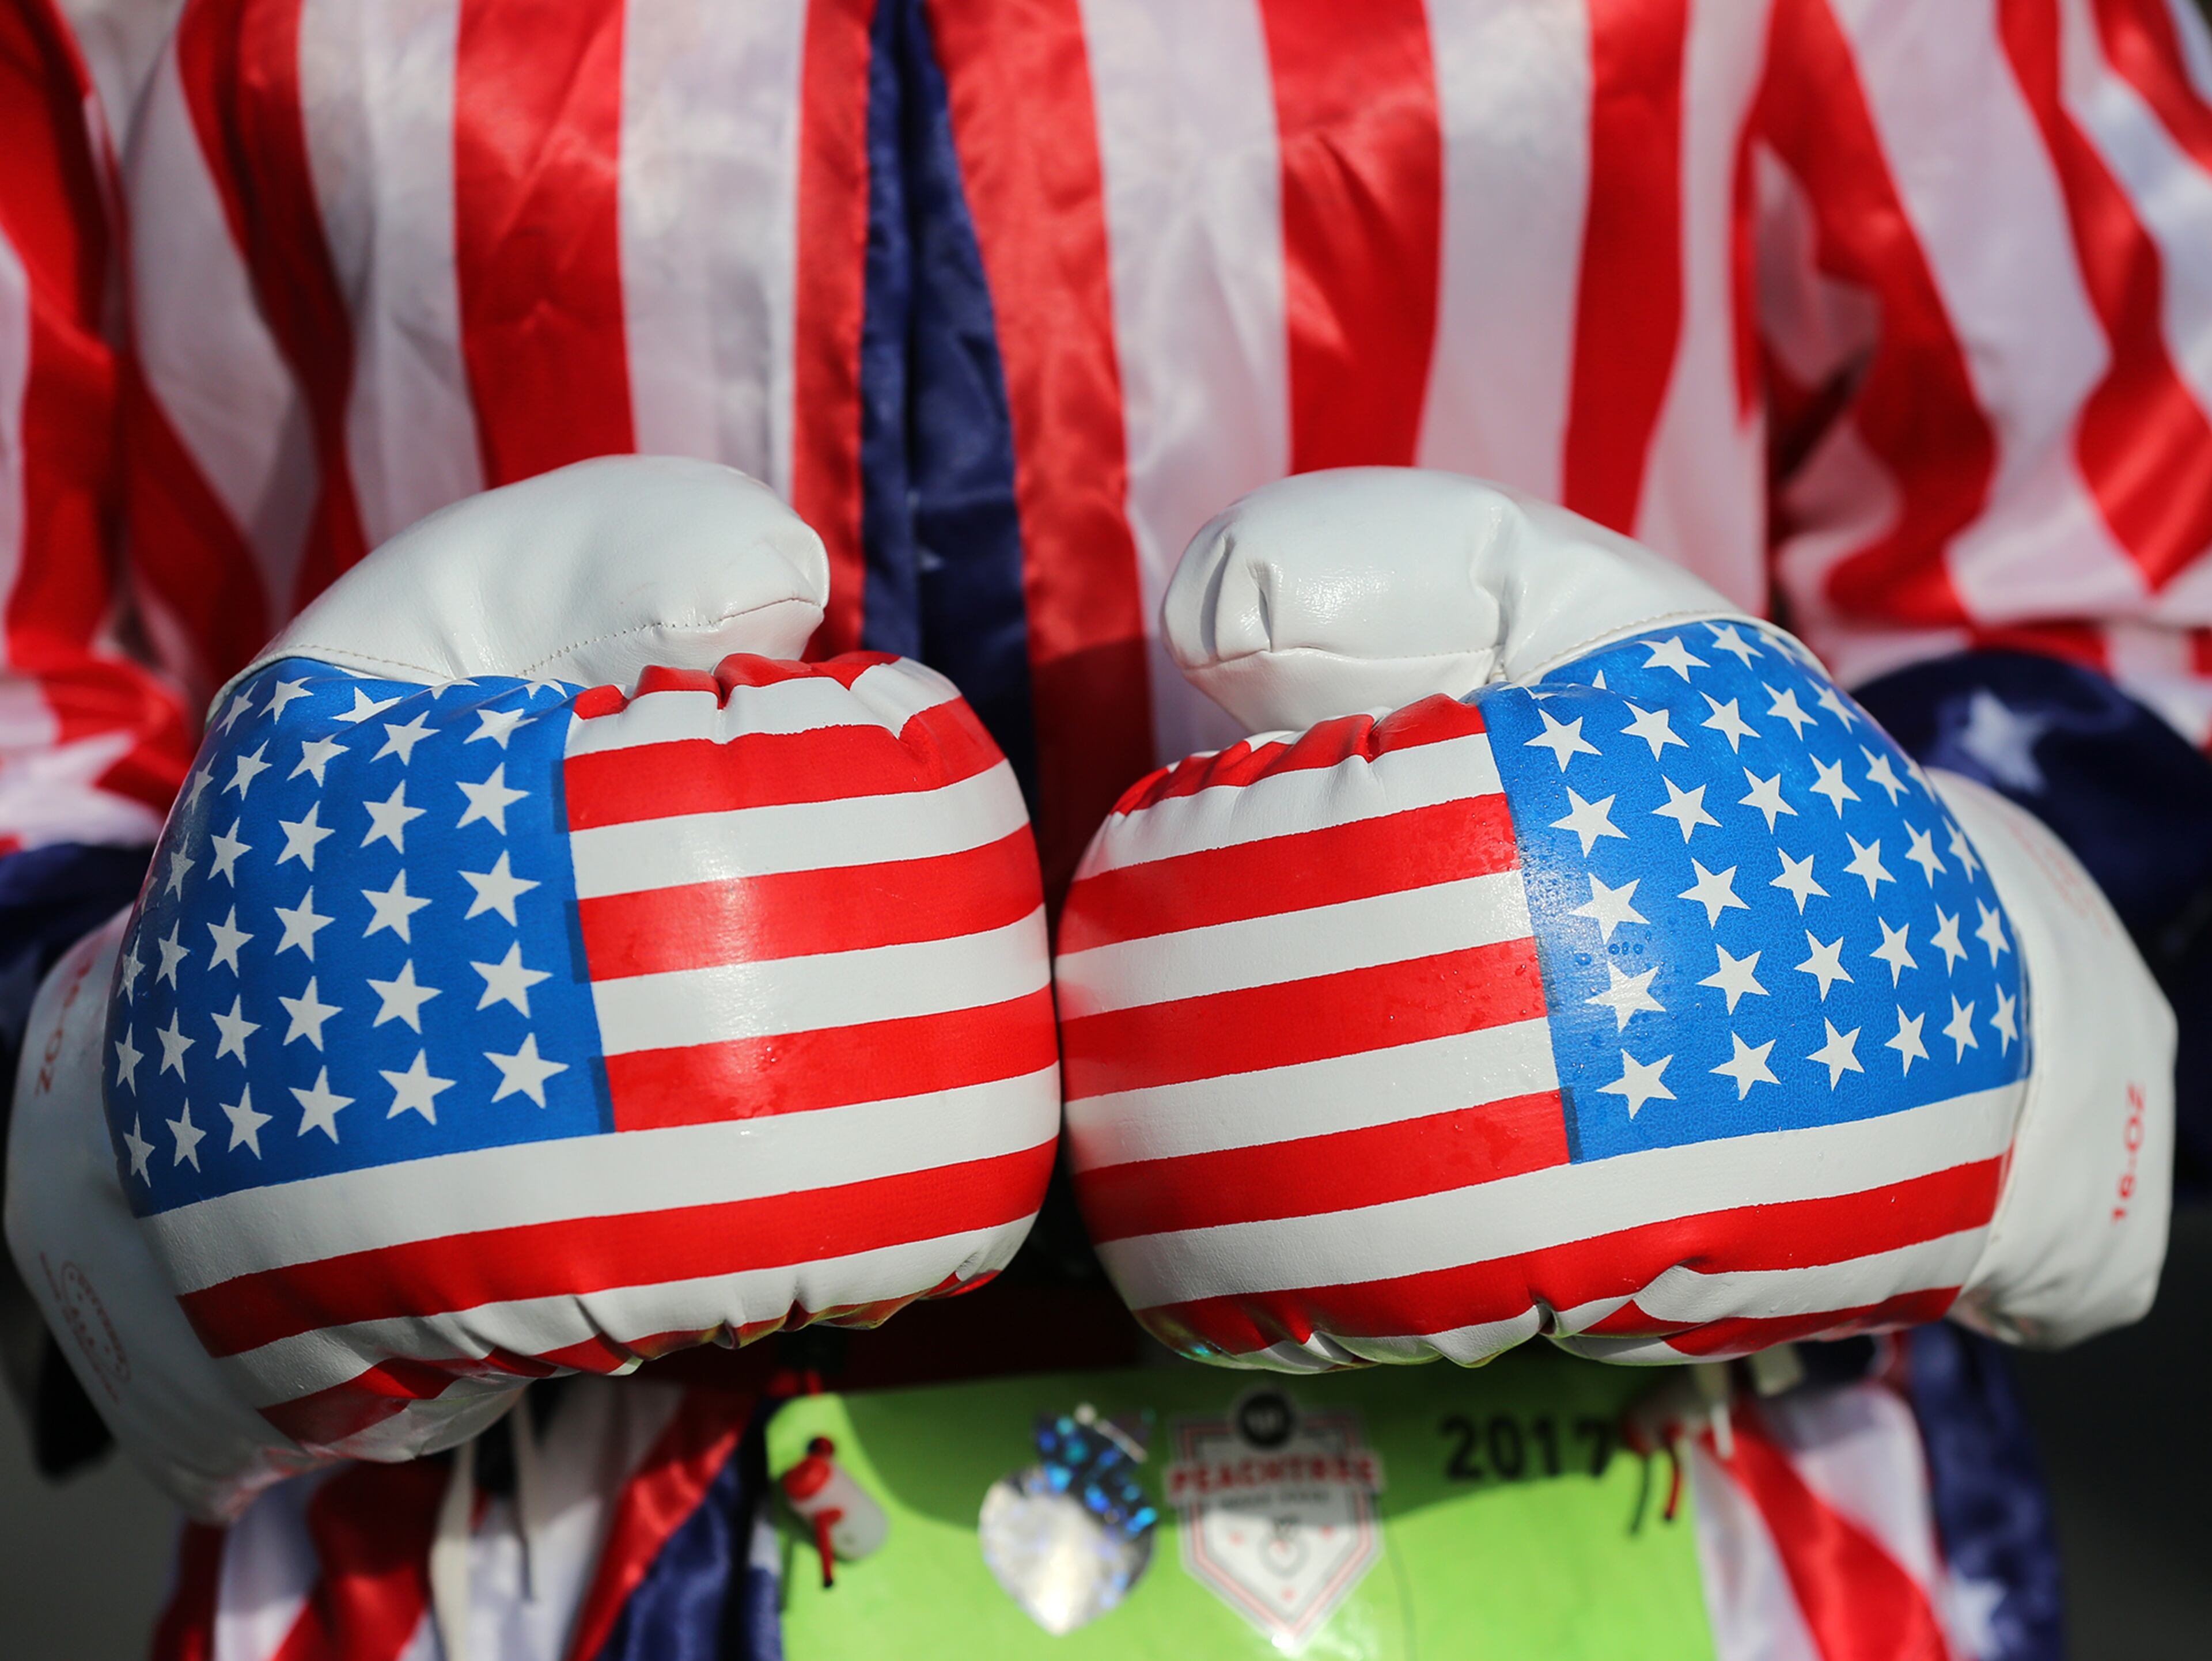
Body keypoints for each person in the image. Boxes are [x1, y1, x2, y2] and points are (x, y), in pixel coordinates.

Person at [3, 0, 2209, 1655]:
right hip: (496, 1552)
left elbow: (2118, 456)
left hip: (1693, 1490)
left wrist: (1984, 941)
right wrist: (115, 1066)